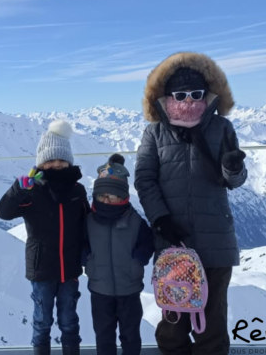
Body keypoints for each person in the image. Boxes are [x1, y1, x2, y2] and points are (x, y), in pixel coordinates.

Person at [134, 52, 248, 355]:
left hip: (215, 243)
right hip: (173, 242)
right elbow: (144, 179)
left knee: (212, 324)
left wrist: (233, 169)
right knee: (173, 323)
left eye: (196, 94)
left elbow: (233, 182)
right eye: (180, 94)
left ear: (208, 94)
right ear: (167, 96)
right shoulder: (155, 133)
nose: (188, 100)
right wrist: (160, 219)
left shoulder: (222, 128)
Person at [0, 119, 89, 355]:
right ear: (40, 162)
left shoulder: (77, 191)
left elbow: (87, 224)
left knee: (69, 322)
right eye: (50, 160)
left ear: (69, 161)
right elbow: (3, 212)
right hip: (41, 269)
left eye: (61, 160)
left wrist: (88, 256)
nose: (56, 165)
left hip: (70, 269)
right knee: (42, 322)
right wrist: (17, 189)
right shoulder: (31, 191)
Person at [82, 153, 154, 355]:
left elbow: (148, 242)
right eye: (101, 195)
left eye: (111, 195)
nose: (105, 199)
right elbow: (80, 243)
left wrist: (138, 259)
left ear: (122, 196)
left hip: (129, 289)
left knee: (130, 335)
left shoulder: (134, 220)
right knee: (103, 335)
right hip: (100, 289)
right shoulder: (88, 221)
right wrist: (87, 258)